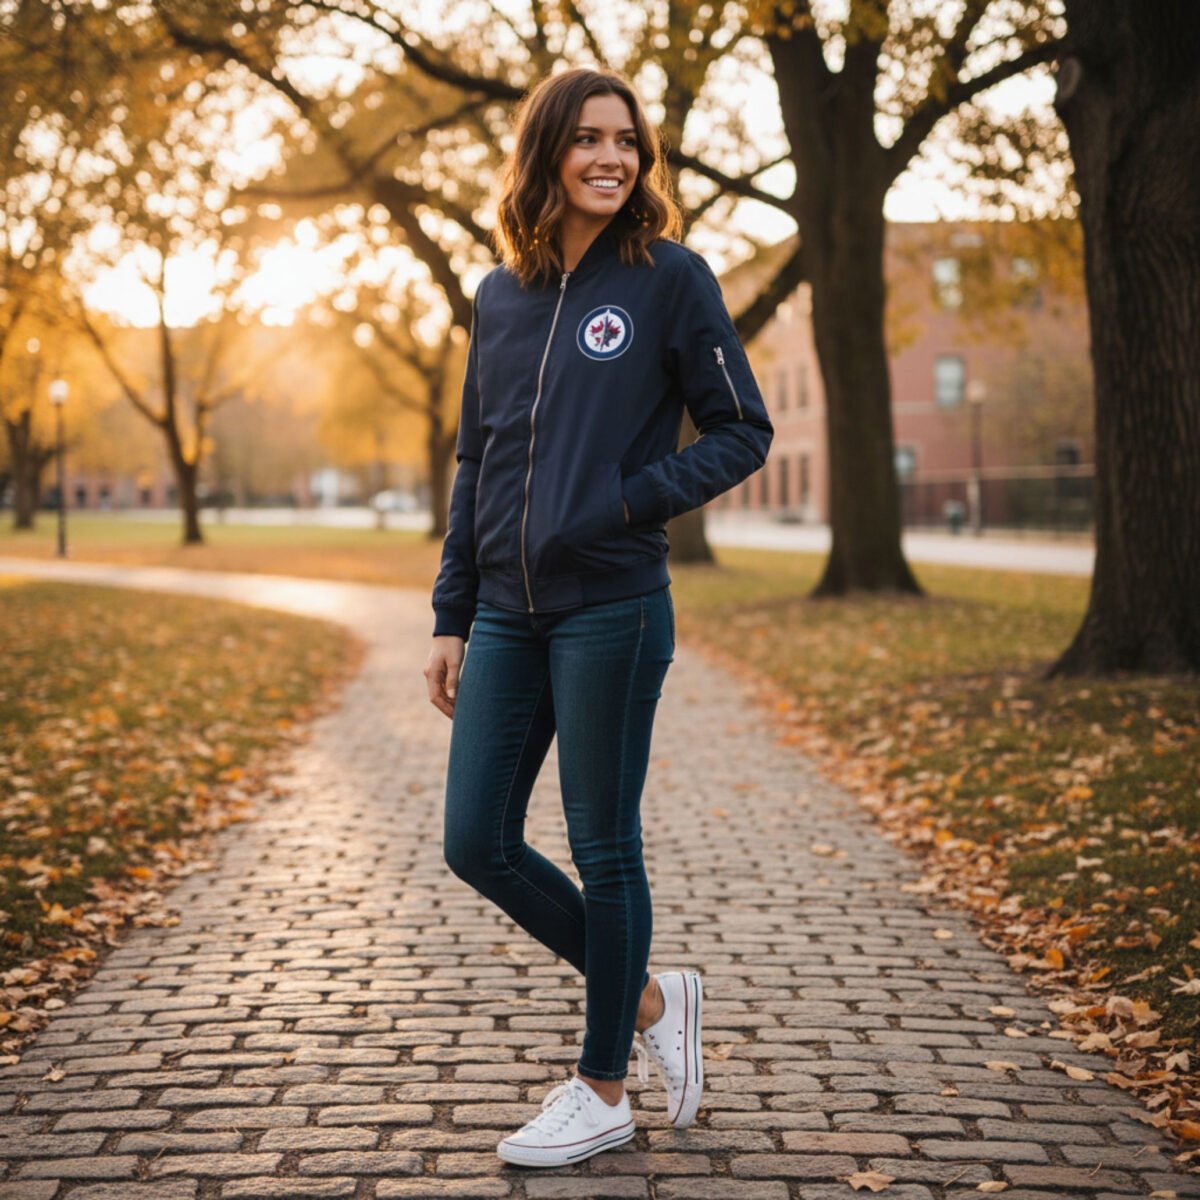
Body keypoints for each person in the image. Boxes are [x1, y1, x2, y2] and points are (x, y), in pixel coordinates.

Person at [424, 65, 773, 1169]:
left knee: (603, 845)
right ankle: (654, 1001)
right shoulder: (500, 294)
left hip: (613, 607)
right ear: (547, 154)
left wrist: (625, 501)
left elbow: (742, 429)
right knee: (476, 841)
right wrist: (451, 611)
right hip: (506, 614)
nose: (611, 157)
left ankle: (604, 1087)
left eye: (626, 140)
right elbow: (478, 458)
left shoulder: (669, 279)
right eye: (587, 139)